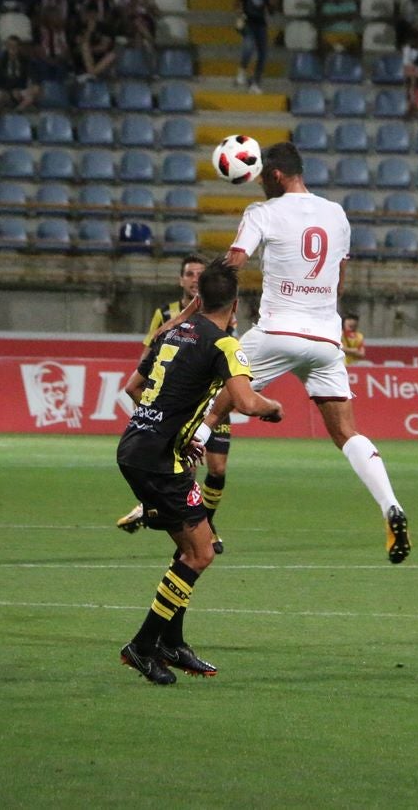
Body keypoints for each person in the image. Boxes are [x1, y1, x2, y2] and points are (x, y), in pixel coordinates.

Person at [205, 142, 411, 562]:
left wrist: (205, 294)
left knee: (209, 407)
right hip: (325, 339)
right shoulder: (336, 214)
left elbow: (234, 263)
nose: (260, 183)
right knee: (347, 433)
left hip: (276, 331)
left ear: (276, 176)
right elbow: (338, 280)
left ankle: (168, 498)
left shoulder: (261, 214)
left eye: (263, 177)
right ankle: (391, 505)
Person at [114, 259, 284, 685]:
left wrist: (170, 429)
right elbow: (246, 402)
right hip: (159, 463)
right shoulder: (225, 344)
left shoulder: (171, 332)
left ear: (197, 297)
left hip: (138, 448)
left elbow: (134, 388)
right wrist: (274, 408)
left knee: (188, 548)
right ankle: (142, 644)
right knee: (200, 553)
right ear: (237, 304)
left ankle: (172, 642)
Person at [117, 254, 234, 547]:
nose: (194, 278)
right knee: (183, 464)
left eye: (199, 274)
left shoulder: (222, 312)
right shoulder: (166, 314)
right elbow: (150, 354)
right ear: (181, 280)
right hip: (175, 406)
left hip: (211, 402)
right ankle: (184, 521)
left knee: (217, 469)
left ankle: (204, 520)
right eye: (189, 274)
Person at [235, 0, 275, 93]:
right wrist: (240, 14)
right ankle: (242, 71)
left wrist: (273, 5)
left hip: (260, 23)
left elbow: (270, 11)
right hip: (248, 22)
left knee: (263, 53)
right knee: (249, 46)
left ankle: (256, 82)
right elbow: (237, 1)